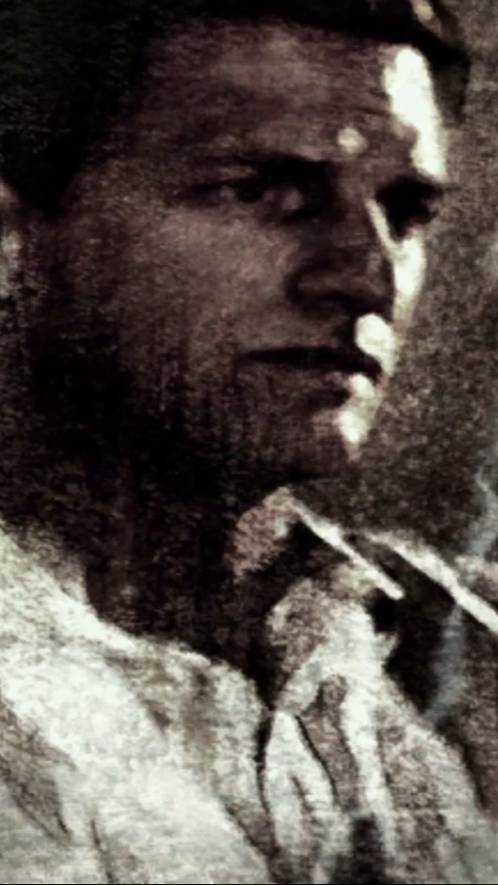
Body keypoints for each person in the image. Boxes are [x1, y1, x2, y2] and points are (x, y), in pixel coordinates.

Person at [0, 1, 497, 882]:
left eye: (404, 211)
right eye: (263, 190)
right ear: (14, 237)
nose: (368, 276)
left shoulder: (461, 652)